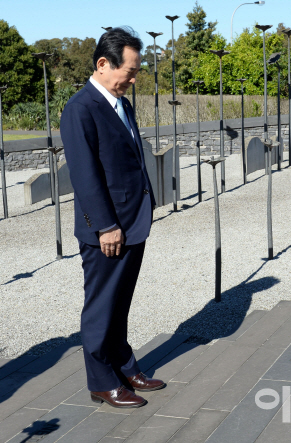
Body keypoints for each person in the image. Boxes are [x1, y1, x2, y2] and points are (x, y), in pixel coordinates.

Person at [61, 27, 164, 408]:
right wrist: (105, 225)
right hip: (107, 229)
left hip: (133, 222)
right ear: (104, 64)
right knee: (101, 306)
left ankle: (124, 366)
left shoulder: (121, 103)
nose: (134, 79)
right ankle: (102, 380)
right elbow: (85, 176)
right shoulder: (80, 108)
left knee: (120, 302)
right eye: (131, 71)